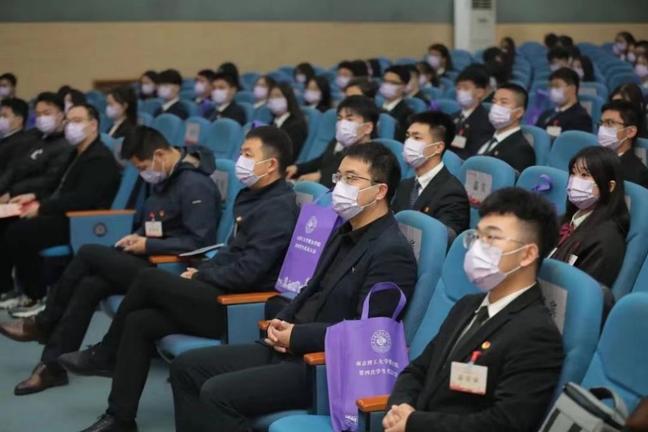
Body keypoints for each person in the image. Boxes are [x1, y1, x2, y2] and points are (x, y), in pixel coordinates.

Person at [58, 126, 300, 432]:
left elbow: (249, 272)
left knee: (149, 279)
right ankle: (120, 418)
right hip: (218, 291)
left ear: (271, 164)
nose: (241, 160)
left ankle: (106, 353)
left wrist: (203, 274)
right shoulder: (253, 196)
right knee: (140, 322)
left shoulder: (277, 209)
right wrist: (203, 271)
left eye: (248, 154)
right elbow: (230, 252)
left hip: (237, 306)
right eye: (241, 153)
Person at [170, 142, 418, 432]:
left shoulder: (391, 252)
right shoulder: (344, 231)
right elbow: (310, 289)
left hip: (322, 365)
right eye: (339, 177)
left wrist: (297, 336)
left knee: (216, 394)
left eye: (351, 179)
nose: (339, 186)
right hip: (289, 346)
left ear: (380, 191)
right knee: (186, 367)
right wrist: (281, 322)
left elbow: (367, 335)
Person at [0, 125, 222, 395]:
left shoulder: (195, 185)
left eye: (142, 167)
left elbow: (200, 243)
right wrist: (137, 236)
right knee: (90, 284)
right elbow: (158, 221)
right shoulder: (166, 177)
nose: (142, 173)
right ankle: (52, 368)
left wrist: (148, 244)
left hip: (170, 269)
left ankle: (45, 323)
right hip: (150, 258)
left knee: (88, 253)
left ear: (160, 155)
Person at [384, 187, 564, 432]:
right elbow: (418, 369)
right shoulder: (467, 306)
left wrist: (414, 423)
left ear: (527, 254)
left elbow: (505, 423)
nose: (478, 247)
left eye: (492, 238)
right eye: (477, 237)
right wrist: (399, 407)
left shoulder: (536, 334)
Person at [0, 104, 121, 316]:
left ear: (93, 125)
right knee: (5, 222)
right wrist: (34, 196)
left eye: (77, 121)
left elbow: (81, 199)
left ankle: (36, 296)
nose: (70, 126)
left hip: (79, 220)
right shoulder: (76, 152)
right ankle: (8, 288)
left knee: (20, 232)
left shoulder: (99, 158)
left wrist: (42, 208)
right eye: (68, 121)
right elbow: (56, 185)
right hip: (60, 210)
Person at [551, 146, 628, 293]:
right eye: (573, 173)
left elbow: (583, 294)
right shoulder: (564, 221)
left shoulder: (605, 241)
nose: (575, 181)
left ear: (609, 186)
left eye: (584, 175)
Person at [393, 111, 470, 237]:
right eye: (408, 136)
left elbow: (442, 240)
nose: (408, 143)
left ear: (438, 147)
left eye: (417, 138)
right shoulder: (404, 185)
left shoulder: (452, 192)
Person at [0, 94, 72, 215]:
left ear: (60, 115)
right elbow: (14, 168)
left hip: (34, 198)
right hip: (11, 194)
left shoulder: (66, 144)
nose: (41, 118)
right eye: (38, 114)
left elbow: (49, 180)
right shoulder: (32, 136)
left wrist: (11, 192)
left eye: (46, 113)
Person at [286, 95, 377, 188]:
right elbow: (322, 160)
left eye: (349, 119)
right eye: (339, 119)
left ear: (368, 127)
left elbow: (348, 179)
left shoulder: (370, 156)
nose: (342, 124)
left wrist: (321, 176)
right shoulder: (339, 142)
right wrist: (297, 168)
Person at [477, 83, 535, 173]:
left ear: (519, 112)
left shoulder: (522, 150)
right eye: (494, 102)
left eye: (503, 102)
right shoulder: (485, 135)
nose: (496, 107)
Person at [598, 100, 648, 188]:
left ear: (630, 132)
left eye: (610, 123)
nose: (602, 128)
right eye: (601, 123)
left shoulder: (637, 174)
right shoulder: (592, 159)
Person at [451, 64, 495, 159]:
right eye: (458, 88)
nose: (460, 92)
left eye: (466, 88)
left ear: (480, 92)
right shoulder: (452, 117)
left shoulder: (486, 122)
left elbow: (474, 155)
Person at [536, 67, 593, 135]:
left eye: (557, 86)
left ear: (572, 89)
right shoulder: (546, 113)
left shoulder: (581, 118)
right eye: (551, 87)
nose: (553, 90)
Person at [267, 82, 308, 162]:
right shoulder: (272, 123)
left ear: (288, 98)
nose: (273, 99)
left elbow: (289, 154)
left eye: (278, 96)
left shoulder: (296, 125)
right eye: (271, 97)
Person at [0, 97, 34, 177]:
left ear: (19, 120)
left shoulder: (21, 144)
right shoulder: (6, 140)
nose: (1, 119)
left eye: (5, 116)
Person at [380, 65, 415, 142]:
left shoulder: (407, 115)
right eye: (385, 81)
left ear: (404, 86)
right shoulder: (376, 108)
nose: (387, 85)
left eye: (393, 83)